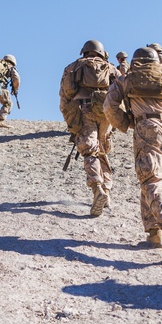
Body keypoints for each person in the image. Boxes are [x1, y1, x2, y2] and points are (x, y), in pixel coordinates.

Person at [104, 46, 162, 263]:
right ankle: (154, 236)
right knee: (151, 181)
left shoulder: (125, 79)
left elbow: (109, 106)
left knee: (150, 180)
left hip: (147, 128)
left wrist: (127, 124)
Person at [59, 40, 119, 216]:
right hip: (107, 113)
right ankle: (106, 192)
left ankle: (97, 189)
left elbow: (66, 94)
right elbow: (119, 94)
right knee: (102, 150)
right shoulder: (111, 68)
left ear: (84, 51)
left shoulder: (74, 67)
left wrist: (70, 119)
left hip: (85, 110)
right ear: (101, 52)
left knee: (89, 151)